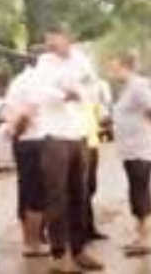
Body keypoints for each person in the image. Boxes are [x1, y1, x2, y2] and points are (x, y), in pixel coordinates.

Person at [35, 26, 105, 273]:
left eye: (55, 38)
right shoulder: (44, 63)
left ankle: (79, 250)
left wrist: (80, 92)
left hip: (80, 135)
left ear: (68, 39)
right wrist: (64, 95)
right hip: (55, 137)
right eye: (48, 39)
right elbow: (41, 92)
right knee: (57, 196)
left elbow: (93, 87)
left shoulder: (81, 61)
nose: (51, 43)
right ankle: (59, 255)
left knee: (80, 195)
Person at [109, 52, 151, 257]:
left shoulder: (138, 86)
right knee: (136, 193)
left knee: (141, 193)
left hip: (141, 150)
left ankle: (146, 240)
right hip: (130, 151)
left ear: (126, 66)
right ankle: (140, 238)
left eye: (115, 68)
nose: (112, 72)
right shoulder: (127, 88)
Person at [2, 49, 53, 258]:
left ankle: (29, 240)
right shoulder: (35, 80)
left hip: (23, 142)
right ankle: (33, 243)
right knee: (37, 194)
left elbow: (11, 110)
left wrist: (15, 132)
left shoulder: (18, 80)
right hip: (34, 140)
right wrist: (17, 129)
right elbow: (27, 112)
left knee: (25, 190)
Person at [81, 80, 110, 243]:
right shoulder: (73, 101)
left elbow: (102, 119)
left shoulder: (92, 100)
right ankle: (82, 230)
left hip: (93, 146)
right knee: (81, 190)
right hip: (81, 146)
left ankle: (89, 228)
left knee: (90, 188)